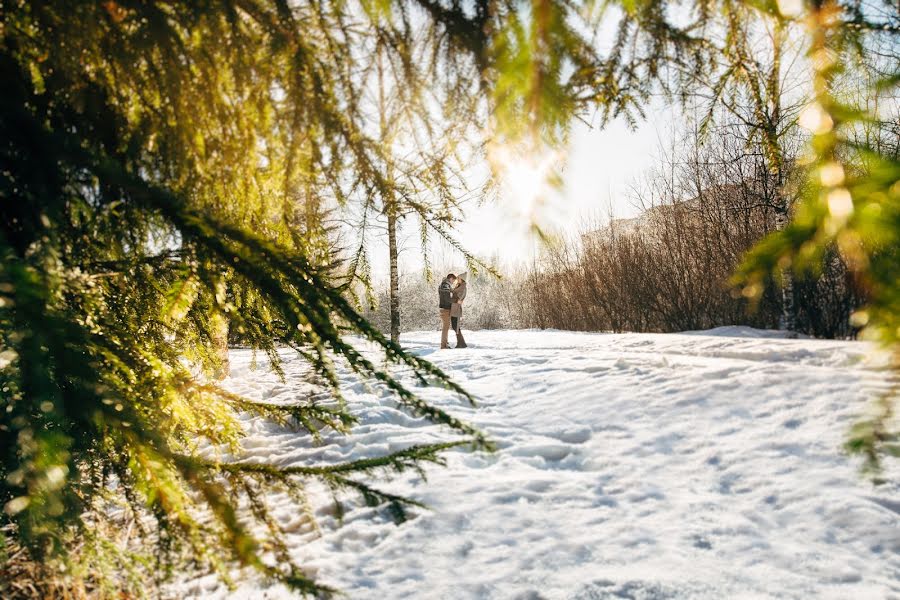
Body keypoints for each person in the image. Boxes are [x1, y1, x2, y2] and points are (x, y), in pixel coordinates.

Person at [438, 273, 456, 349]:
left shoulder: (444, 285)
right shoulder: (445, 285)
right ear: (451, 278)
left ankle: (445, 343)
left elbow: (447, 292)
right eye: (453, 280)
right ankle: (443, 345)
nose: (453, 282)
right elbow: (447, 298)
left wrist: (452, 290)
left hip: (444, 308)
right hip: (445, 309)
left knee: (446, 327)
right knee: (445, 327)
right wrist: (455, 300)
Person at [450, 272, 467, 348]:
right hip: (453, 307)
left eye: (459, 278)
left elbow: (460, 299)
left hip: (456, 308)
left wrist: (453, 299)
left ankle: (461, 343)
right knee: (455, 326)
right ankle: (461, 343)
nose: (457, 279)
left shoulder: (463, 287)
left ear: (462, 279)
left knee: (456, 326)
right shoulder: (459, 286)